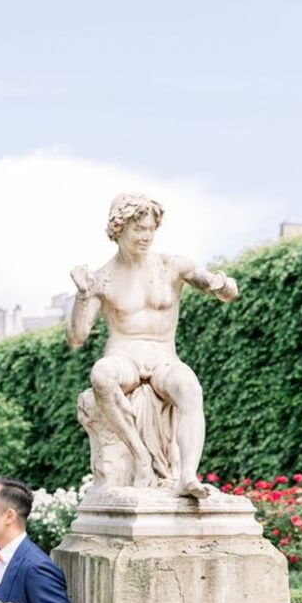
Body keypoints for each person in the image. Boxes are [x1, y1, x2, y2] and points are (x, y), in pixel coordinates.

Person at [69, 192, 239, 499]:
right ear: (118, 229)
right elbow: (77, 337)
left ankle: (187, 476)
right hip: (125, 359)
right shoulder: (102, 279)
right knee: (101, 375)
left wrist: (223, 285)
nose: (146, 236)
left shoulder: (171, 266)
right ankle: (141, 456)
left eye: (150, 229)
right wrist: (82, 295)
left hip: (164, 359)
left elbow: (224, 291)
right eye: (139, 229)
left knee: (190, 388)